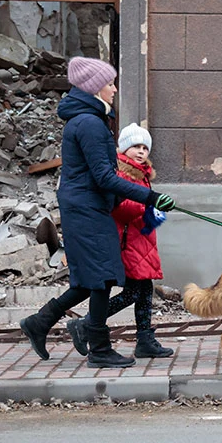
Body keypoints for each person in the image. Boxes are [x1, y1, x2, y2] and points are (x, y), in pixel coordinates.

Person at [19, 57, 175, 368]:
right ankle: (100, 349)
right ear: (94, 88)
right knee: (103, 278)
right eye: (109, 83)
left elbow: (100, 177)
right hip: (87, 209)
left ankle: (39, 322)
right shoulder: (89, 123)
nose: (114, 89)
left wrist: (139, 202)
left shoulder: (89, 119)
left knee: (89, 280)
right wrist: (150, 197)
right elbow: (104, 176)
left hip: (89, 206)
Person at [66, 123, 175, 359]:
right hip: (126, 242)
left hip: (140, 240)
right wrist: (148, 203)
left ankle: (144, 339)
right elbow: (120, 208)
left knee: (144, 290)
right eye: (136, 146)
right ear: (124, 148)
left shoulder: (143, 175)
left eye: (145, 148)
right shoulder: (121, 174)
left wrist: (155, 211)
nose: (141, 151)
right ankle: (86, 324)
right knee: (133, 291)